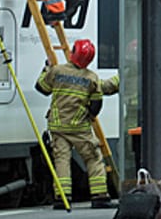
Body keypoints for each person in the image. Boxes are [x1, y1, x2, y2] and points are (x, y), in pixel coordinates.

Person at [35, 39, 115, 208]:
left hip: (57, 126)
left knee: (62, 160)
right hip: (79, 128)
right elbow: (96, 104)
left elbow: (41, 88)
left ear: (73, 53)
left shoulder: (57, 71)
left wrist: (46, 69)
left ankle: (62, 198)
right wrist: (89, 115)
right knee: (93, 158)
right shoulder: (91, 78)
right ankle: (99, 195)